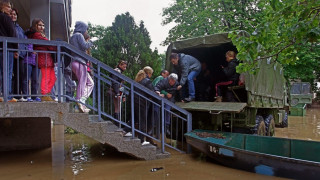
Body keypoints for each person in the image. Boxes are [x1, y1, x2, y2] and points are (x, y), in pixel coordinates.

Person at [27, 18, 57, 102]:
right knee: (46, 77)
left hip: (48, 57)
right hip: (43, 57)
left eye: (43, 25)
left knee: (53, 78)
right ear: (35, 25)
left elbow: (49, 44)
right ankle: (44, 94)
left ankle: (47, 93)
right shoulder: (36, 34)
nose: (42, 27)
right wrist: (54, 46)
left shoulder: (41, 35)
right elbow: (48, 43)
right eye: (40, 25)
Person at [70, 21, 94, 113]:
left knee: (90, 82)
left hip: (75, 62)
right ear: (82, 28)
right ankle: (79, 102)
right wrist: (91, 41)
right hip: (80, 62)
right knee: (82, 83)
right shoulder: (79, 35)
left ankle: (81, 102)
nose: (86, 32)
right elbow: (85, 46)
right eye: (86, 30)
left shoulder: (73, 37)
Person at [0, 0, 18, 102]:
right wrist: (15, 48)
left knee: (1, 72)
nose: (10, 9)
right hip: (7, 48)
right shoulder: (6, 18)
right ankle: (7, 96)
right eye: (8, 7)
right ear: (2, 7)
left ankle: (1, 95)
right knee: (7, 72)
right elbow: (12, 33)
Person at [10, 7, 28, 102]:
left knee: (20, 75)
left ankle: (17, 95)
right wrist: (14, 51)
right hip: (12, 53)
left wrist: (23, 52)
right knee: (11, 75)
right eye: (12, 14)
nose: (13, 16)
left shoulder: (19, 28)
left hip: (21, 55)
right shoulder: (8, 26)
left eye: (15, 14)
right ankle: (11, 94)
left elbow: (24, 42)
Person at [134, 66, 154, 145]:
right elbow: (151, 92)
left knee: (137, 120)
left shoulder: (138, 79)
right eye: (151, 74)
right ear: (149, 73)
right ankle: (141, 140)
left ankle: (127, 131)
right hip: (142, 102)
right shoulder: (147, 81)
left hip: (136, 101)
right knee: (143, 121)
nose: (151, 75)